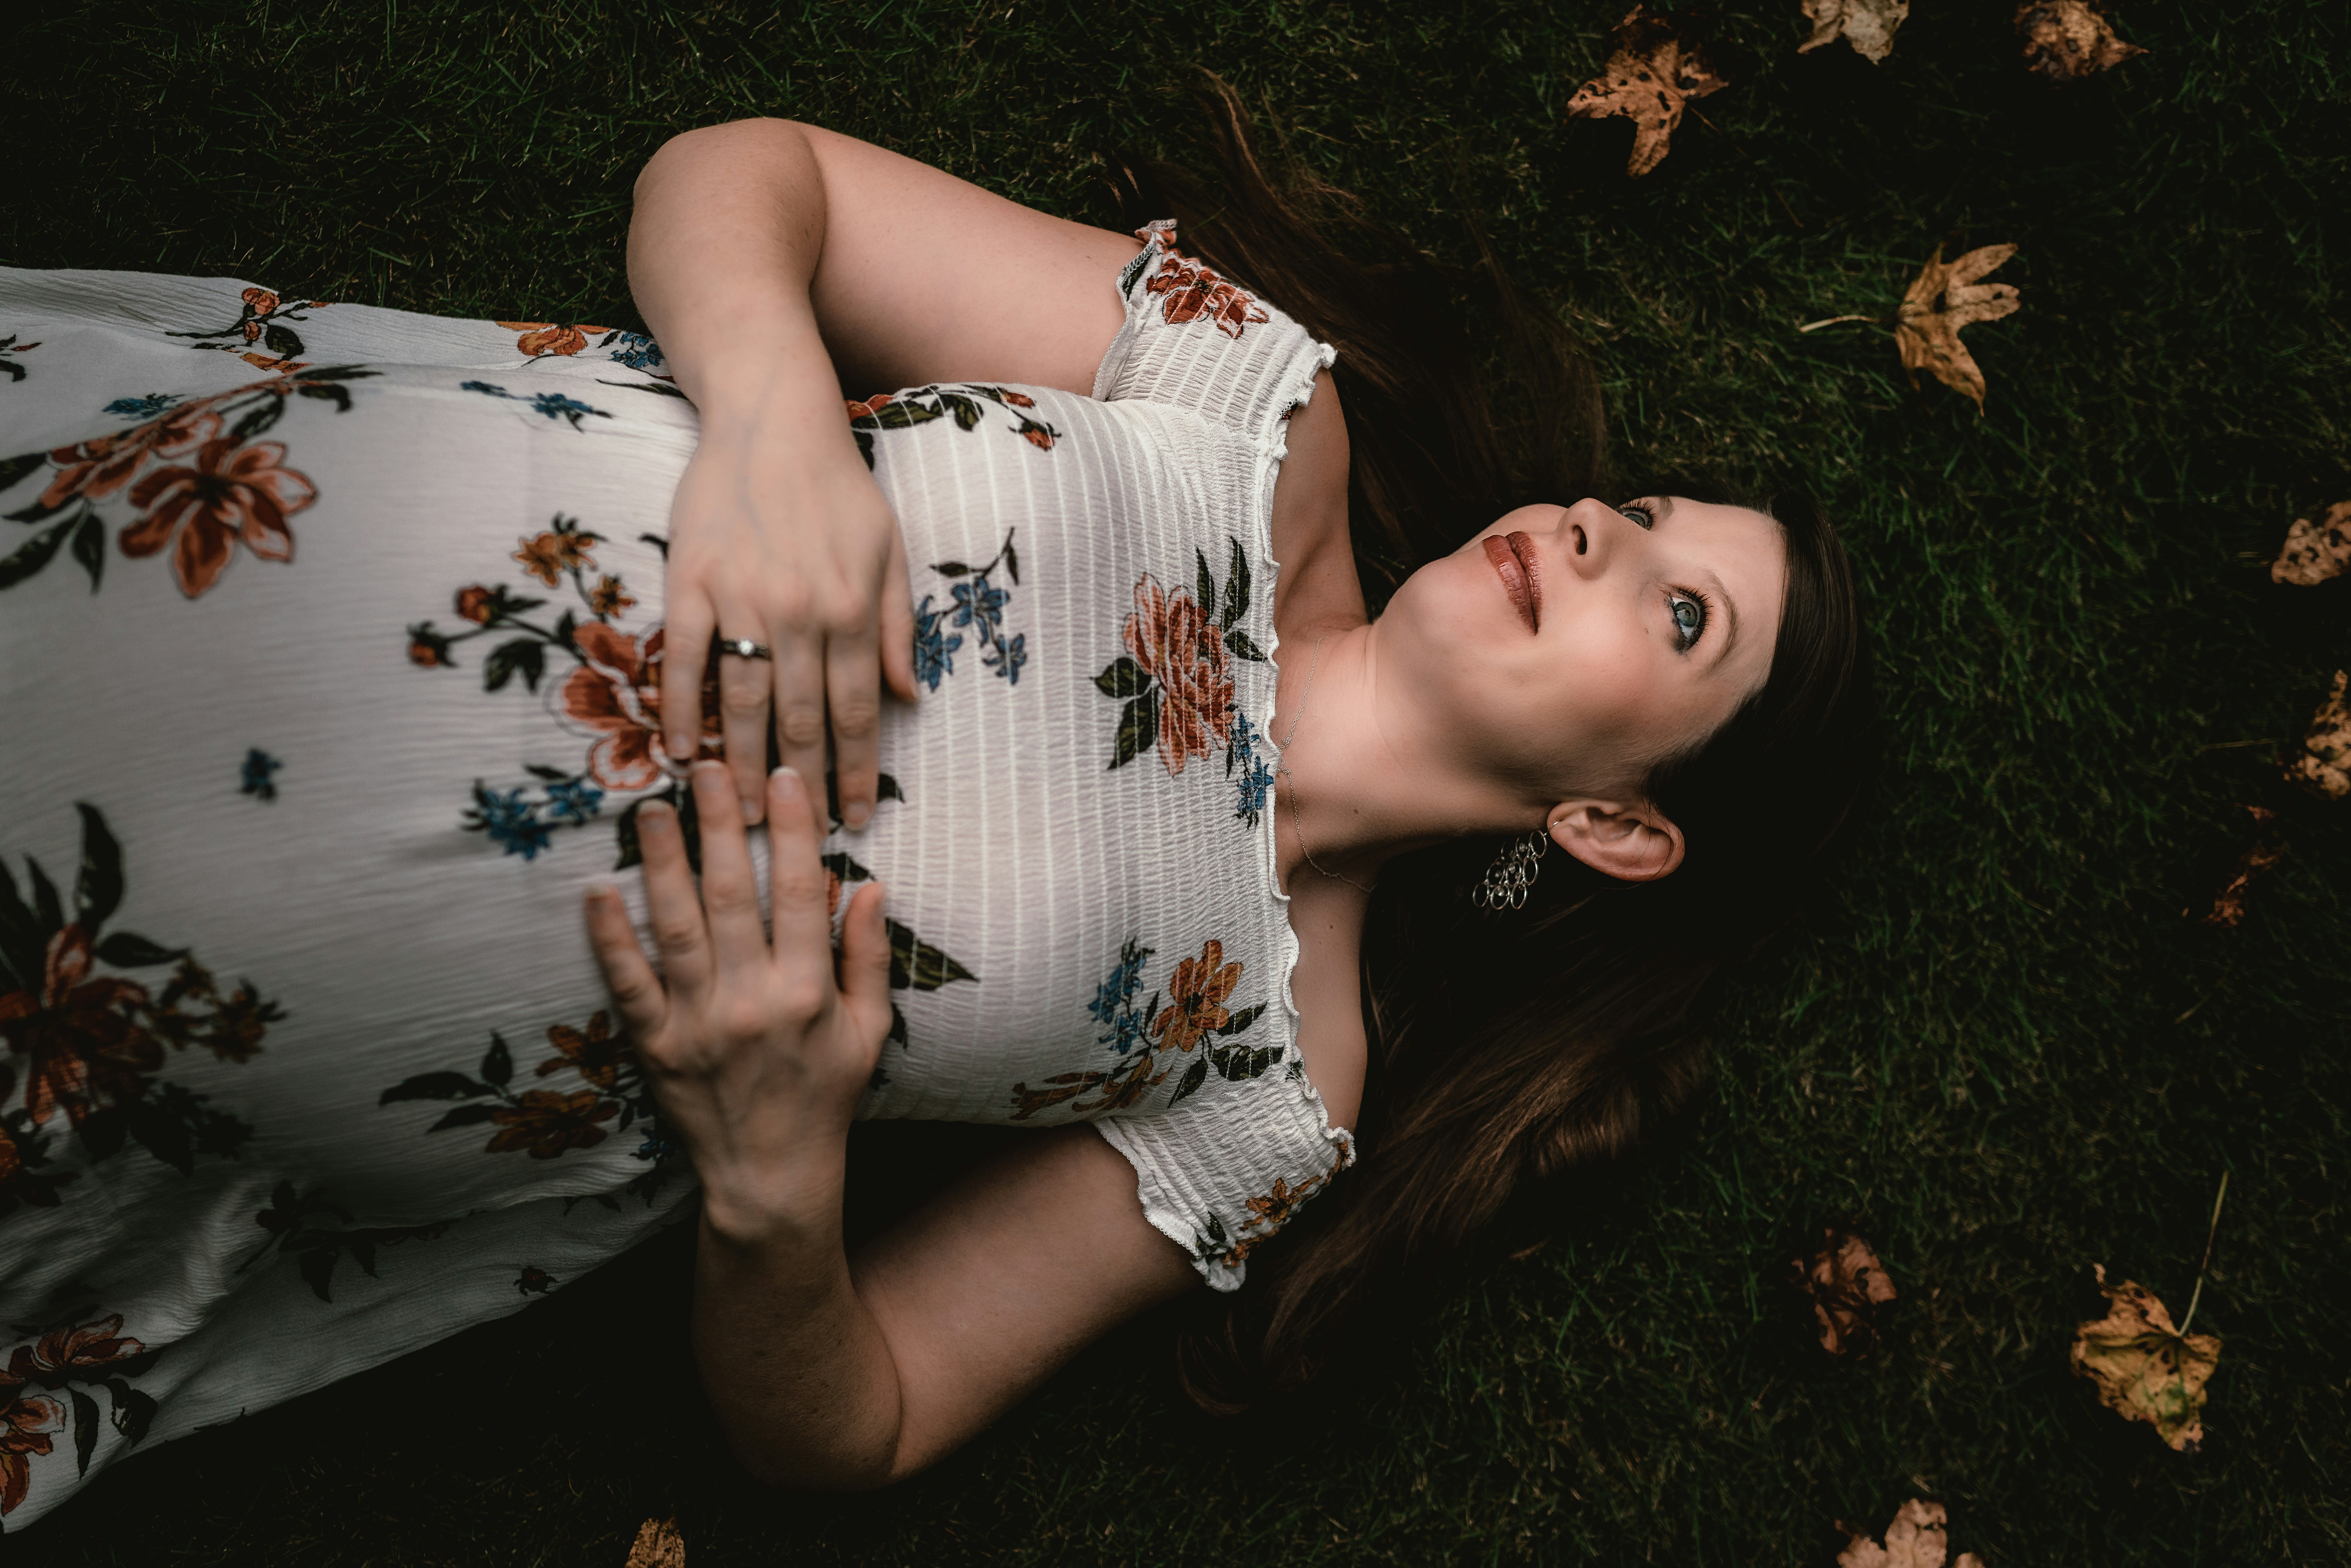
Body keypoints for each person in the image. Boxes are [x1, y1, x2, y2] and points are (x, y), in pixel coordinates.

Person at [0, 91, 1861, 1526]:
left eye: (1680, 614)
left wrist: (772, 1170)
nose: (1609, 533)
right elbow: (748, 177)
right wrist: (771, 416)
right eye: (1650, 509)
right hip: (158, 523)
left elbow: (857, 1423)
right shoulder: (1262, 419)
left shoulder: (1275, 1080)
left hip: (106, 1031)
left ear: (1620, 826)